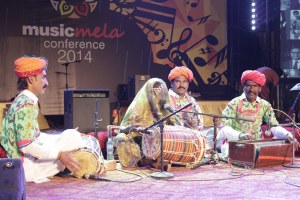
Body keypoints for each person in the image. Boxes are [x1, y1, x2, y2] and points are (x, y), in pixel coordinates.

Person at [0, 56, 85, 182]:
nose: (47, 83)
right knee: (72, 139)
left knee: (70, 135)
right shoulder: (25, 105)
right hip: (25, 168)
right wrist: (59, 154)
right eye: (43, 77)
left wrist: (59, 137)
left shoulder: (22, 100)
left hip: (27, 162)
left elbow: (35, 137)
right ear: (30, 79)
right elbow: (26, 146)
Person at [216, 70, 299, 157]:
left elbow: (273, 126)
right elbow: (224, 128)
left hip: (257, 144)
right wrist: (240, 136)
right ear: (243, 87)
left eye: (255, 86)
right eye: (248, 85)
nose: (251, 89)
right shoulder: (234, 103)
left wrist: (287, 135)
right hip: (237, 143)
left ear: (260, 89)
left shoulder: (265, 105)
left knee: (280, 145)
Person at [167, 66, 204, 131]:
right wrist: (183, 126)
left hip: (192, 136)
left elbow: (200, 121)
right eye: (178, 81)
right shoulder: (165, 99)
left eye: (184, 82)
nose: (181, 85)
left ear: (188, 84)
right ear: (171, 83)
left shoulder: (191, 100)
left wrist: (195, 126)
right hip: (171, 136)